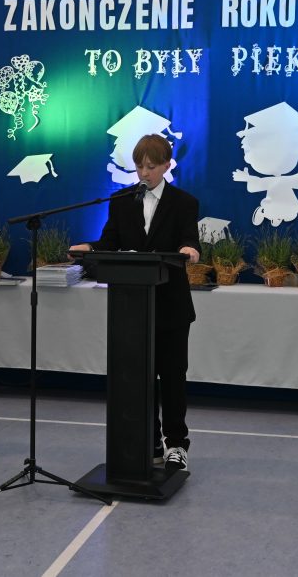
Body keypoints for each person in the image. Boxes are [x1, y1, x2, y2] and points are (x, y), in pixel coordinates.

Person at [70, 133, 200, 471]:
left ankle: (176, 443)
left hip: (171, 305)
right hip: (132, 309)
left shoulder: (184, 202)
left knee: (172, 377)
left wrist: (190, 250)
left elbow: (189, 239)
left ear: (167, 166)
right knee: (139, 377)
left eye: (151, 167)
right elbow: (110, 241)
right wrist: (91, 248)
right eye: (140, 166)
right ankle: (150, 440)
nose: (144, 173)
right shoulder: (121, 200)